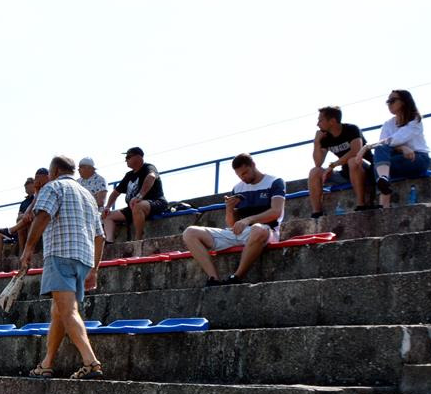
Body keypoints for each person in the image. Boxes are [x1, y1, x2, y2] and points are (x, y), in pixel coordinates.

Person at [19, 155, 105, 380]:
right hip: (83, 258)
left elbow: (42, 216)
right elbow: (100, 237)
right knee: (58, 311)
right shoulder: (88, 195)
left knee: (68, 311)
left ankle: (91, 362)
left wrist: (28, 249)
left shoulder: (53, 187)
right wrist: (94, 269)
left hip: (60, 254)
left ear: (55, 171)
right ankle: (47, 363)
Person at [182, 153, 285, 286]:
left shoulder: (275, 182)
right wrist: (229, 209)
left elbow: (276, 212)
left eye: (245, 173)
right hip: (242, 232)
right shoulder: (238, 188)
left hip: (267, 231)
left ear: (253, 165)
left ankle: (236, 277)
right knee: (189, 232)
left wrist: (248, 220)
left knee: (258, 229)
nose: (243, 178)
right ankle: (214, 279)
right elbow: (232, 224)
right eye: (239, 175)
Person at [365, 89, 431, 210]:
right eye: (387, 102)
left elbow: (395, 139)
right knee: (379, 159)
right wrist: (402, 148)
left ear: (404, 101)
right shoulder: (388, 124)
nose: (389, 104)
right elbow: (384, 145)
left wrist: (366, 147)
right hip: (397, 159)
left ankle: (383, 200)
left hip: (417, 159)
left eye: (392, 100)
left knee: (380, 161)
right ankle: (384, 187)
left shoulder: (415, 120)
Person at [308, 106, 367, 218]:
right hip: (346, 173)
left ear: (332, 121)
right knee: (315, 171)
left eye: (320, 120)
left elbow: (356, 151)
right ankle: (317, 213)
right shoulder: (326, 137)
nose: (317, 124)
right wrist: (316, 142)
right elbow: (318, 163)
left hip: (364, 168)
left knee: (353, 161)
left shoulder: (351, 129)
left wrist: (332, 165)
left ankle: (361, 205)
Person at [102, 147, 167, 243]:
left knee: (137, 206)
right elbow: (115, 193)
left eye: (128, 157)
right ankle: (109, 240)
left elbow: (151, 177)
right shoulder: (129, 175)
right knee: (107, 216)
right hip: (133, 208)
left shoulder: (148, 167)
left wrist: (139, 196)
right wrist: (107, 207)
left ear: (139, 157)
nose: (126, 160)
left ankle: (138, 239)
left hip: (155, 202)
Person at [0, 176, 38, 260]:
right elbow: (18, 217)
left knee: (24, 223)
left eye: (29, 183)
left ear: (34, 184)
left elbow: (36, 213)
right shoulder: (24, 203)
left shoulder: (38, 198)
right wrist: (24, 215)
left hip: (32, 225)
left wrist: (25, 215)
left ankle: (22, 252)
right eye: (26, 184)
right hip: (21, 224)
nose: (26, 185)